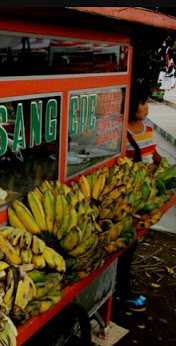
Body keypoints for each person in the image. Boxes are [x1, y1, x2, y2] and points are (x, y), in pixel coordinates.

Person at [117, 77, 160, 312]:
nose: (146, 107)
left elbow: (152, 156)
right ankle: (123, 294)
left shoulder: (148, 130)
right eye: (142, 102)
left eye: (147, 103)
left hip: (142, 200)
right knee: (125, 249)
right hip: (126, 201)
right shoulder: (119, 134)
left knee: (131, 248)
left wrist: (157, 164)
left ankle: (122, 290)